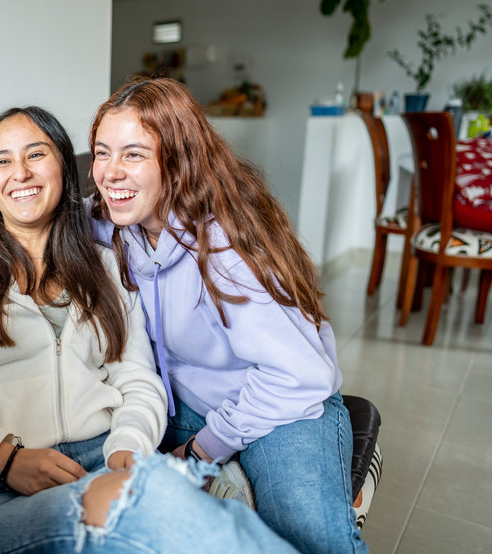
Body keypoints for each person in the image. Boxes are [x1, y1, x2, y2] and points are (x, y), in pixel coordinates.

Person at [0, 105, 296, 553]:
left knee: (146, 509)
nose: (20, 173)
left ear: (64, 169)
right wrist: (5, 458)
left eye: (36, 154)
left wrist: (128, 449)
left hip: (103, 459)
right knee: (149, 512)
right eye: (2, 161)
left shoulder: (106, 265)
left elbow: (137, 378)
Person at [88, 76, 367, 554]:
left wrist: (204, 449)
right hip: (181, 408)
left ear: (177, 160)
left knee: (312, 539)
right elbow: (39, 218)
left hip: (282, 405)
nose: (111, 172)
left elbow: (298, 377)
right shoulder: (109, 224)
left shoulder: (226, 246)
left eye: (134, 154)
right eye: (101, 152)